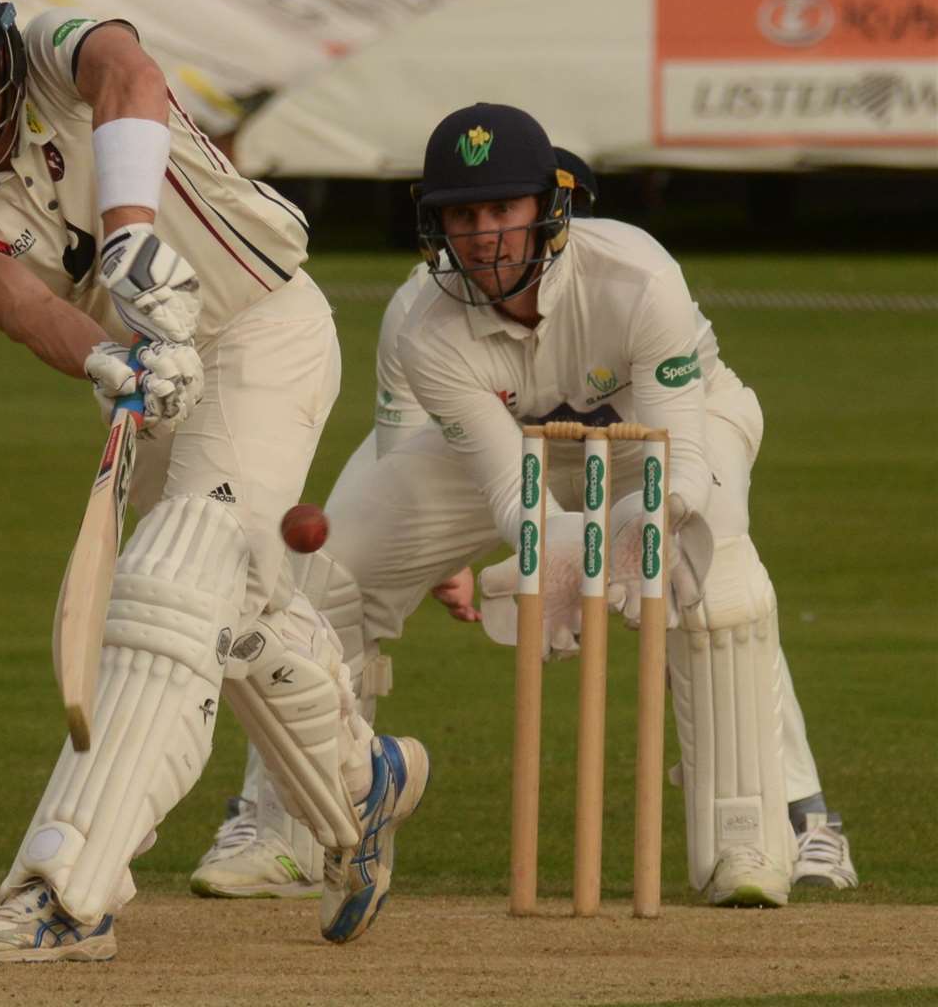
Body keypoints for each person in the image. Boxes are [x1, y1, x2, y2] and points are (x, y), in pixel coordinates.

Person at [0, 0, 429, 962]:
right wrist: (110, 359)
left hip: (262, 328)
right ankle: (360, 786)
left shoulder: (51, 50)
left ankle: (66, 891)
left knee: (168, 588)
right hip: (157, 384)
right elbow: (20, 305)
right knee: (230, 613)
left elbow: (129, 73)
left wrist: (129, 238)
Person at [193, 106, 858, 907]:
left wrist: (620, 542)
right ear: (435, 225)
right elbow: (508, 488)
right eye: (463, 216)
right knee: (324, 574)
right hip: (511, 453)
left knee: (715, 579)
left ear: (549, 209)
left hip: (666, 439)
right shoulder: (424, 324)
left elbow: (675, 469)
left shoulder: (639, 277)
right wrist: (526, 561)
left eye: (502, 210)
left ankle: (758, 837)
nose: (484, 236)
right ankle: (290, 827)